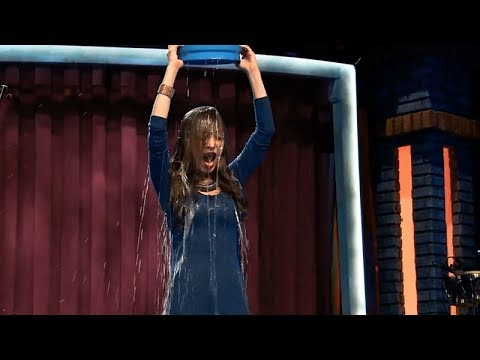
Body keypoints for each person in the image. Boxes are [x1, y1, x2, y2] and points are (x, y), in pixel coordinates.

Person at [148, 45, 275, 315]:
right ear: (190, 143)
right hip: (185, 305)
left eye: (218, 136)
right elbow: (156, 135)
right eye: (205, 136)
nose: (213, 143)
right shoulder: (174, 188)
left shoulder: (232, 180)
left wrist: (253, 71)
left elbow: (265, 132)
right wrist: (172, 69)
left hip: (232, 304)